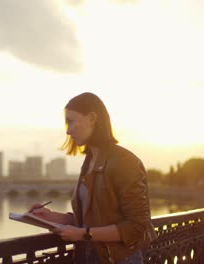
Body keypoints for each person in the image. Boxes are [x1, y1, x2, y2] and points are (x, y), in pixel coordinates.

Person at [29, 92, 157, 264]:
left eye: (71, 121)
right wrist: (51, 217)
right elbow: (90, 220)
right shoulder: (89, 161)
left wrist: (83, 234)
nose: (67, 130)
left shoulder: (125, 162)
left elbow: (137, 227)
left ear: (91, 118)